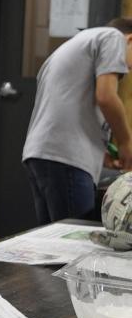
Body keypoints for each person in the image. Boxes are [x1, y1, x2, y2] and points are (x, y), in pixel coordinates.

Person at [22, 17, 132, 225]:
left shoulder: (73, 45)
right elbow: (106, 96)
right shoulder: (113, 37)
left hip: (40, 153)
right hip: (67, 156)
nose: (129, 69)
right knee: (76, 241)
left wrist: (101, 150)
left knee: (52, 243)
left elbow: (69, 104)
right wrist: (126, 143)